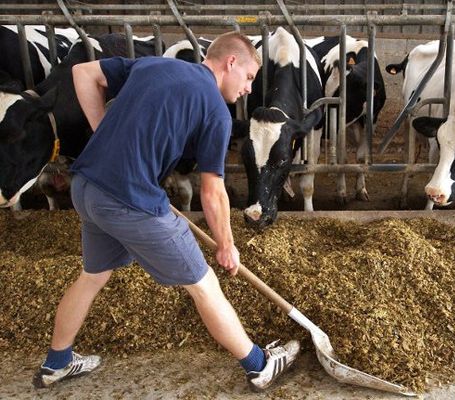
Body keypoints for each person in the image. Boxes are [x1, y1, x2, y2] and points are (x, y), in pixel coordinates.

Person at [32, 31, 300, 392]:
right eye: (250, 77)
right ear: (230, 62)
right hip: (130, 200)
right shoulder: (215, 112)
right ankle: (260, 365)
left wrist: (102, 137)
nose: (249, 89)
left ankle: (57, 362)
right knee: (204, 283)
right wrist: (225, 244)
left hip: (87, 189)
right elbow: (212, 191)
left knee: (93, 275)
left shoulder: (154, 64)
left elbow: (83, 73)